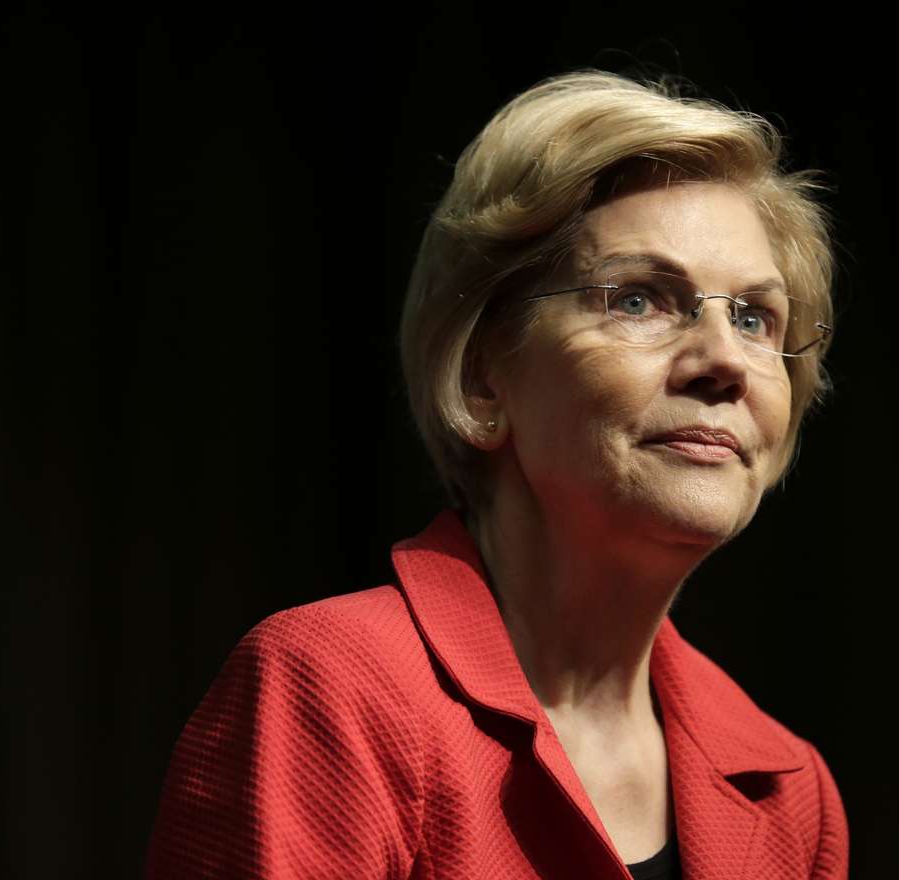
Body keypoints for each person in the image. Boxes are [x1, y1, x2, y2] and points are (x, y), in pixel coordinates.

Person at [147, 70, 847, 880]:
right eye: (639, 301)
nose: (725, 360)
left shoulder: (791, 791)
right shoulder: (329, 691)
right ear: (483, 375)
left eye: (756, 317)